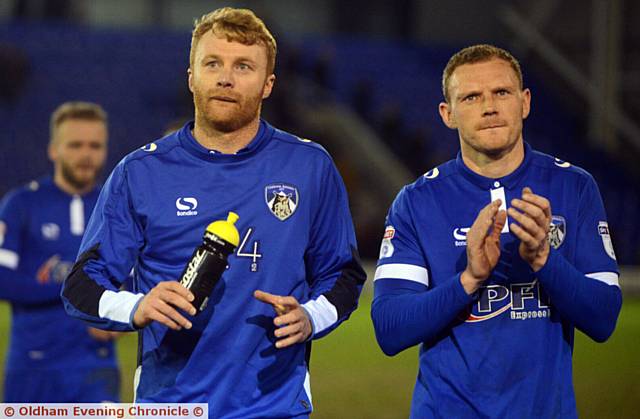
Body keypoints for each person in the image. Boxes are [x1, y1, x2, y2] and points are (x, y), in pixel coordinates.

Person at [62, 7, 365, 418]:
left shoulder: (309, 167)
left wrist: (310, 317)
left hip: (274, 406)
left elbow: (344, 274)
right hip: (170, 406)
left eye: (243, 66)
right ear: (192, 77)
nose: (226, 77)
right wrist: (136, 307)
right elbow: (81, 285)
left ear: (268, 84)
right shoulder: (140, 172)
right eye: (212, 64)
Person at [371, 44, 622, 418]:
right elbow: (390, 330)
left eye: (501, 92)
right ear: (448, 114)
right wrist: (469, 279)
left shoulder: (574, 187)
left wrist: (543, 260)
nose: (489, 107)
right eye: (471, 97)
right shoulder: (416, 201)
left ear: (525, 102)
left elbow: (603, 319)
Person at [0, 101, 120, 402]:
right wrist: (76, 290)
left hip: (97, 367)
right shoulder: (21, 205)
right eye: (75, 145)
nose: (86, 155)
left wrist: (119, 315)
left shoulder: (116, 209)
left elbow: (130, 280)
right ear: (54, 150)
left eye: (95, 146)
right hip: (34, 366)